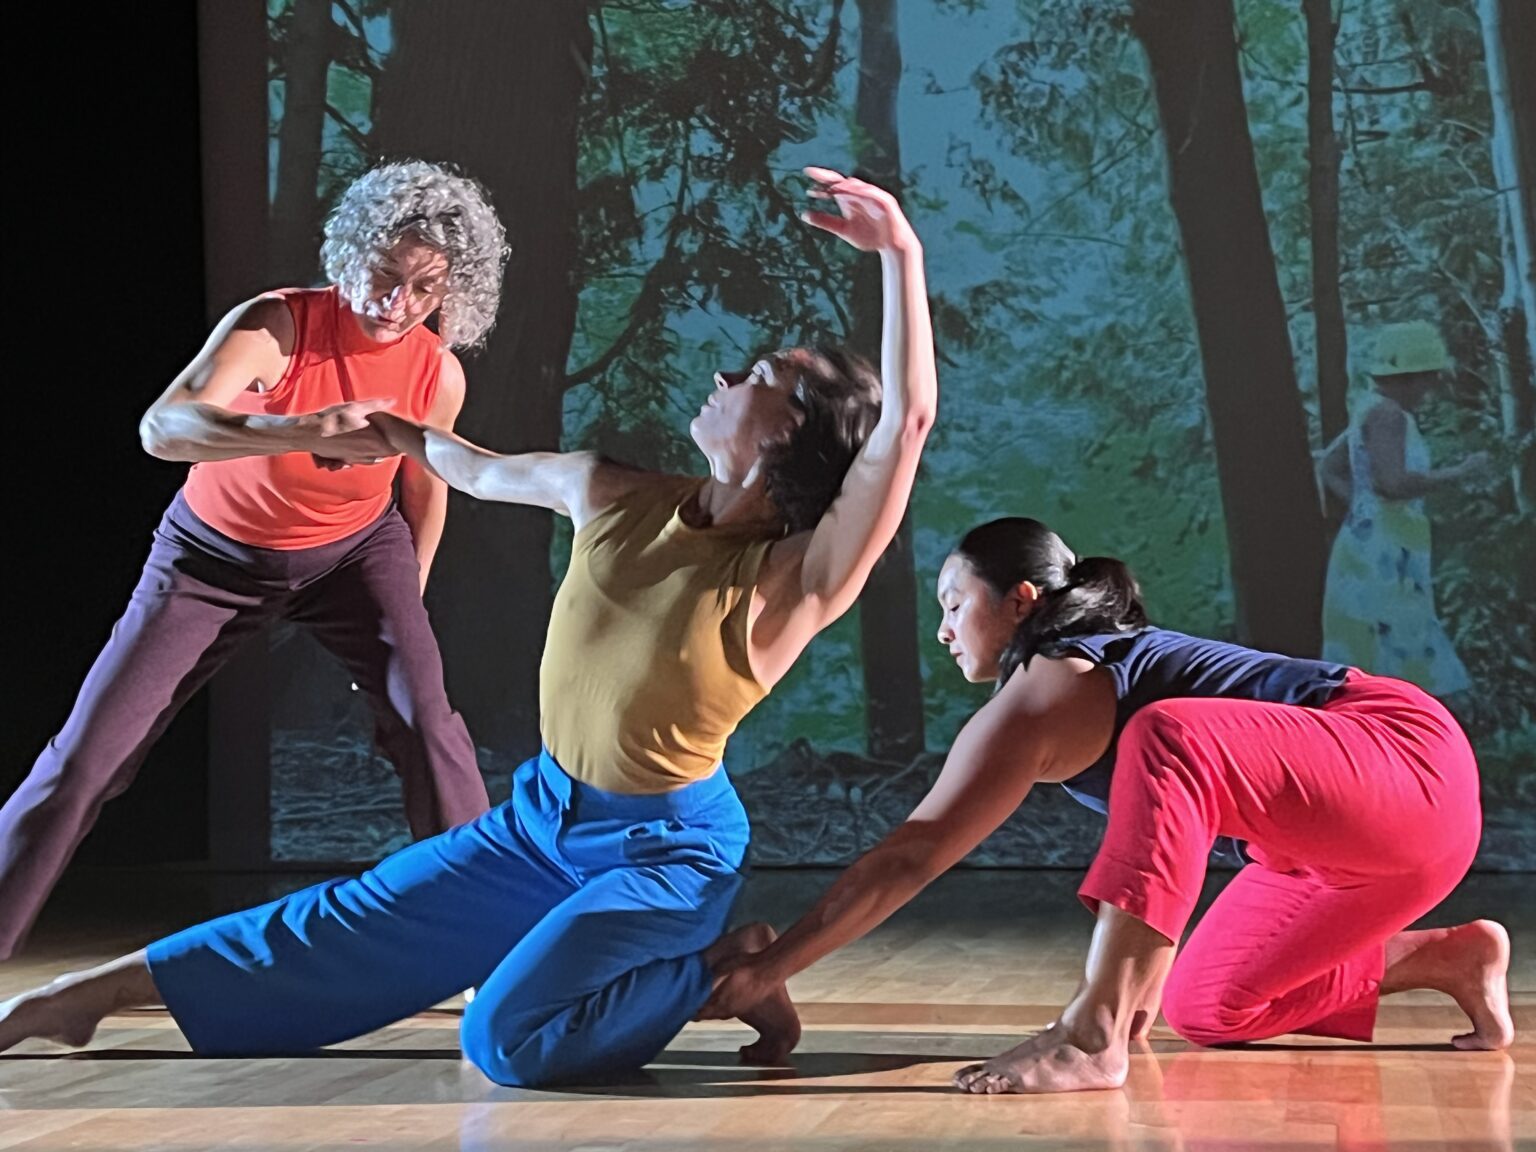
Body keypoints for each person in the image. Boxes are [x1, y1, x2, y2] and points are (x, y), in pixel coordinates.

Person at [0, 167, 940, 1089]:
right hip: (541, 818)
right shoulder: (610, 490)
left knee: (507, 1040)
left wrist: (898, 252)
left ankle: (721, 970)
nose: (730, 372)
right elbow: (473, 468)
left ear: (790, 436)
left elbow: (904, 425)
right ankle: (97, 992)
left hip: (665, 850)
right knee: (343, 921)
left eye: (763, 376)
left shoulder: (795, 579)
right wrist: (378, 428)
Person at [702, 516, 1512, 1094]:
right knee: (1211, 1007)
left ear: (1022, 600)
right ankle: (1449, 957)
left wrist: (770, 969)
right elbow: (927, 851)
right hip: (1365, 858)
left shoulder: (1058, 674)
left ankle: (1091, 1035)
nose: (943, 630)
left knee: (1169, 733)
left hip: (1406, 763)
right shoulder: (1035, 702)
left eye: (954, 603)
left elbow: (911, 857)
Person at [0, 160, 510, 960]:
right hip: (211, 560)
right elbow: (162, 430)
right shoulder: (278, 324)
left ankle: (494, 951)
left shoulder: (435, 370)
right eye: (384, 277)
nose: (397, 305)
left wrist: (404, 607)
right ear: (352, 254)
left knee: (430, 726)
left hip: (354, 557)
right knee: (88, 760)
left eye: (424, 289)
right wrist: (302, 427)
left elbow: (425, 490)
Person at [1320, 320, 1488, 698]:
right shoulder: (1389, 414)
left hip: (1376, 541)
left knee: (1381, 631)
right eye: (1427, 379)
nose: (1429, 390)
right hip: (1386, 548)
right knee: (1398, 632)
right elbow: (1392, 483)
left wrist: (1364, 513)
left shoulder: (1369, 408)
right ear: (1412, 376)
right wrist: (1457, 472)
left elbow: (1331, 467)